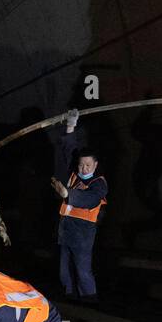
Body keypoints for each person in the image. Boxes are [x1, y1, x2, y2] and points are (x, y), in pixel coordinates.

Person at [50, 109, 107, 302]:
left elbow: (90, 200)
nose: (83, 169)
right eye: (81, 165)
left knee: (83, 269)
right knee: (63, 270)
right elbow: (70, 149)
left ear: (95, 165)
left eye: (88, 166)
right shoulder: (73, 174)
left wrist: (66, 194)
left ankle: (90, 302)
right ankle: (69, 301)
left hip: (83, 232)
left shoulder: (99, 183)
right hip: (65, 229)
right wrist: (71, 126)